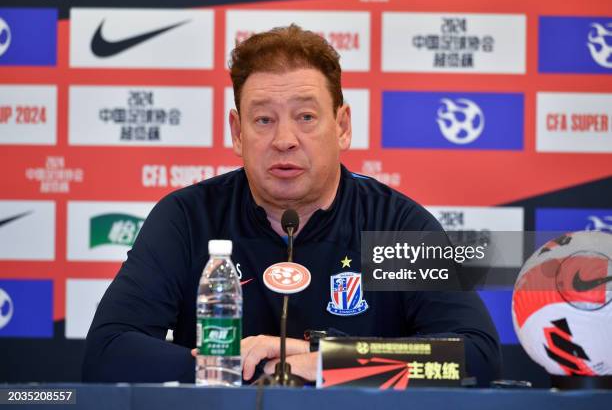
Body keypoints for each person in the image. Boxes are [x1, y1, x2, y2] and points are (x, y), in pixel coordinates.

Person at [82, 24, 501, 385]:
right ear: (237, 132)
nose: (284, 139)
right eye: (263, 119)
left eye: (305, 117)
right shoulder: (190, 218)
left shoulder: (392, 226)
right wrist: (232, 368)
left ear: (341, 126)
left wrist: (322, 361)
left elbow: (474, 357)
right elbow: (107, 352)